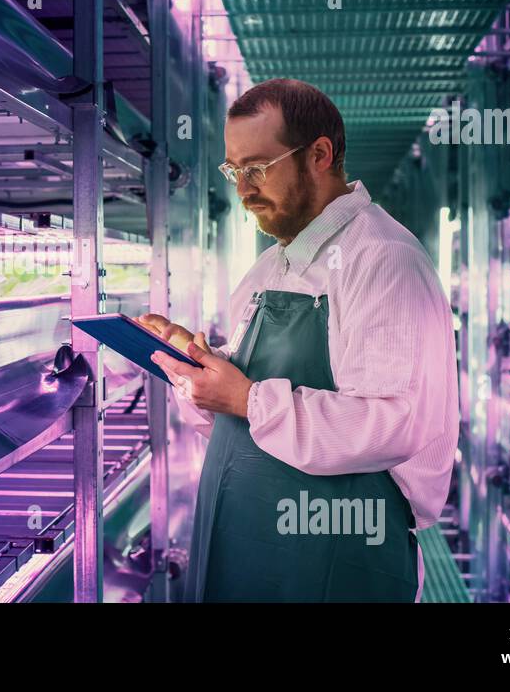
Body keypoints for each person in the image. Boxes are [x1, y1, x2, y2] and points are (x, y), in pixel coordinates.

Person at [145, 78, 458, 602]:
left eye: (257, 168)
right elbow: (245, 416)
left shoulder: (383, 260)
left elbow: (394, 424)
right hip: (247, 546)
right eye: (234, 171)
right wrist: (199, 370)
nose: (242, 190)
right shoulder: (270, 267)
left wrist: (246, 399)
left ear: (319, 155)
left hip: (339, 556)